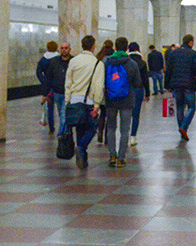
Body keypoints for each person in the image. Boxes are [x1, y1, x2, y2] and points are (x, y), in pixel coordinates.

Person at [63, 34, 105, 169]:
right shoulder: (98, 64)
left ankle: (83, 161)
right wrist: (97, 105)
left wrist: (67, 100)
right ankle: (81, 148)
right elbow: (98, 86)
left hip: (75, 100)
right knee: (92, 127)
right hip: (89, 101)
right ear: (93, 47)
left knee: (79, 129)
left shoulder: (74, 61)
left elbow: (68, 82)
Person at [102, 37, 141, 167]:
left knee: (111, 128)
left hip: (111, 100)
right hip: (127, 100)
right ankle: (121, 158)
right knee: (125, 130)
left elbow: (103, 81)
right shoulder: (132, 63)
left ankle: (112, 155)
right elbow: (137, 83)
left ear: (115, 47)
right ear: (127, 48)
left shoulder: (107, 62)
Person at [164, 33, 196, 140]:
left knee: (180, 107)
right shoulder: (193, 54)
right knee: (192, 107)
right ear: (190, 42)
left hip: (176, 84)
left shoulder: (173, 53)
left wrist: (166, 84)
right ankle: (184, 127)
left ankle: (182, 130)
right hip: (189, 84)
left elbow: (168, 70)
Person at [44, 41, 71, 134]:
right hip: (57, 93)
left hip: (68, 93)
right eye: (62, 48)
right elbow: (48, 78)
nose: (64, 50)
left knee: (63, 116)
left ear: (69, 49)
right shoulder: (54, 62)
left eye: (66, 48)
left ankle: (61, 136)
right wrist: (45, 93)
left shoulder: (73, 61)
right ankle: (66, 134)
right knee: (61, 115)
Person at [127, 42, 150, 147]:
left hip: (126, 90)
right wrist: (148, 93)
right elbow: (145, 79)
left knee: (125, 114)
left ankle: (125, 135)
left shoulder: (125, 62)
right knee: (136, 115)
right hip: (138, 90)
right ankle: (133, 136)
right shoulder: (142, 63)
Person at [35, 40, 59, 133]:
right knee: (61, 107)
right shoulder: (58, 58)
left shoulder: (43, 59)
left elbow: (38, 72)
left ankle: (51, 127)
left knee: (50, 107)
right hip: (58, 85)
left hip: (48, 86)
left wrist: (43, 81)